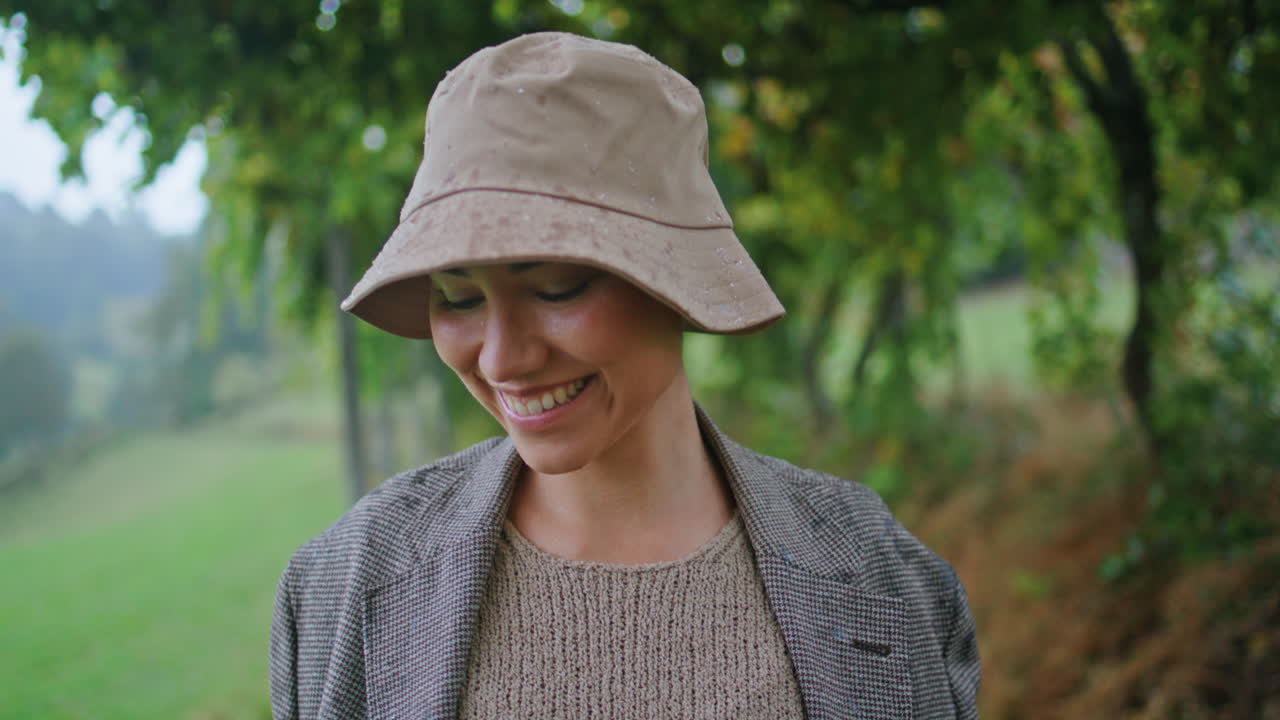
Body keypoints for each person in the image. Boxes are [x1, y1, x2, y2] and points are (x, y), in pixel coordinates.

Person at [269, 31, 979, 720]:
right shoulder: (344, 586)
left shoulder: (882, 576)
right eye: (457, 297)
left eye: (555, 287)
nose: (501, 359)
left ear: (676, 280)